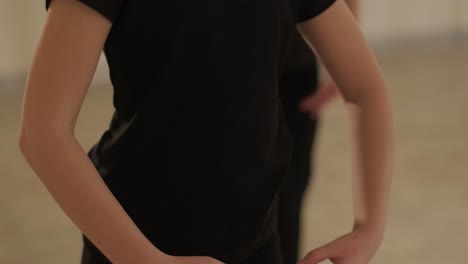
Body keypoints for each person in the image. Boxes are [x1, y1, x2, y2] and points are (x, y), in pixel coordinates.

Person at [19, 0, 393, 263]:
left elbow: (364, 87)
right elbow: (43, 132)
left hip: (257, 243)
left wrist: (369, 229)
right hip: (134, 241)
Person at [278, 1, 360, 263]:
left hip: (293, 66)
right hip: (217, 67)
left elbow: (368, 94)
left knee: (289, 193)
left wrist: (347, 54)